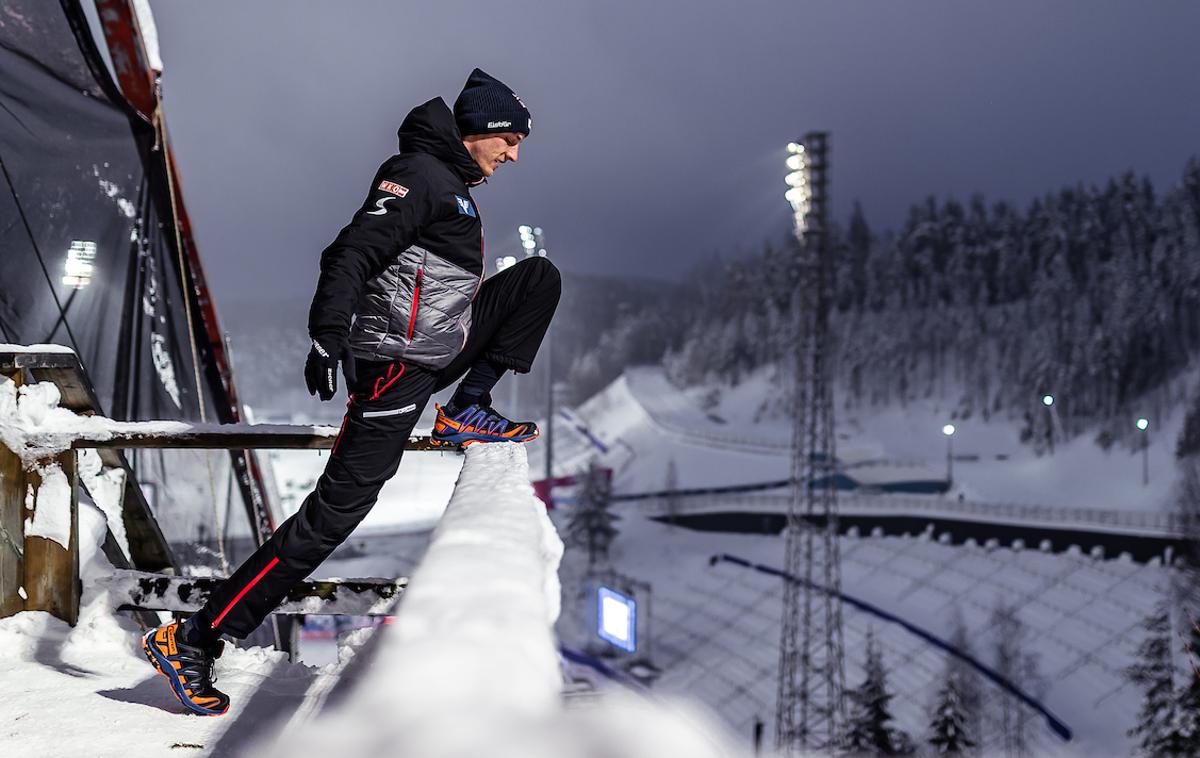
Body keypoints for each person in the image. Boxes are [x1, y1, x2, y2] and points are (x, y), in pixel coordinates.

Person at [140, 69, 560, 715]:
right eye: (509, 139)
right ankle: (195, 636)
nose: (514, 154)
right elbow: (350, 253)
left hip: (434, 352)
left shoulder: (452, 184)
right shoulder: (419, 174)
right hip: (395, 367)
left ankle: (467, 407)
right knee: (332, 518)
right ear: (477, 130)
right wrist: (327, 334)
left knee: (536, 279)